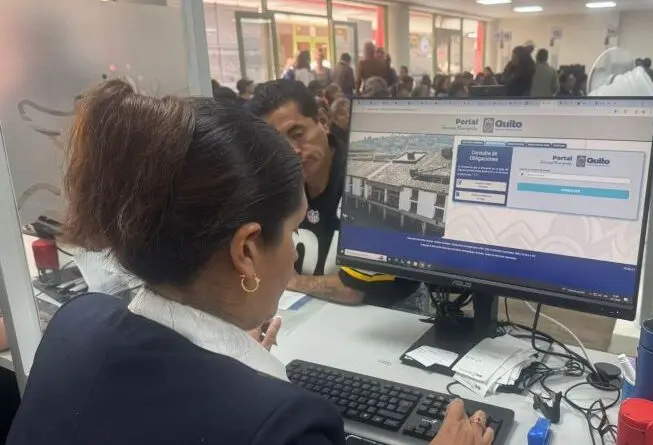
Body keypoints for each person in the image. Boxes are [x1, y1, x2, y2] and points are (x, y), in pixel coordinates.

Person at [6, 79, 493, 445]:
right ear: (246, 250)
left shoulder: (76, 322)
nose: (294, 252)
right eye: (294, 231)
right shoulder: (281, 425)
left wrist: (225, 358)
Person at [249, 80, 412, 305]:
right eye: (277, 144)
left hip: (383, 315)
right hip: (302, 312)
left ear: (324, 122)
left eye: (297, 134)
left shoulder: (371, 178)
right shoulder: (271, 186)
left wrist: (291, 281)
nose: (292, 151)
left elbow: (354, 289)